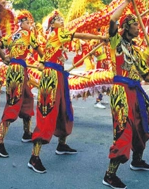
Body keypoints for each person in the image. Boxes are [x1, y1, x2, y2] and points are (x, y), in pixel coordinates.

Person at [27, 10, 106, 174]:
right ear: (52, 24)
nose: (61, 20)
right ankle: (34, 158)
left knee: (65, 110)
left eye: (61, 18)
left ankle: (62, 144)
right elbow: (79, 35)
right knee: (47, 113)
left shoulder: (53, 39)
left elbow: (44, 61)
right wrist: (101, 38)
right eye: (57, 19)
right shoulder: (58, 33)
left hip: (58, 76)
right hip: (52, 78)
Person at [102, 0, 149, 189]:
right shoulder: (115, 42)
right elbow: (112, 19)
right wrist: (127, 3)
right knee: (123, 130)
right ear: (126, 27)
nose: (139, 27)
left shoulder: (136, 51)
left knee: (141, 128)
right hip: (121, 91)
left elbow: (146, 76)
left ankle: (137, 160)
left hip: (136, 92)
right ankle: (109, 175)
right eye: (135, 24)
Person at [0, 10, 44, 158]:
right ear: (22, 23)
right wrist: (46, 63)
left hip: (15, 70)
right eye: (28, 22)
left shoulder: (13, 36)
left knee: (28, 98)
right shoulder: (28, 35)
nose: (30, 25)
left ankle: (27, 133)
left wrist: (5, 58)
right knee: (13, 105)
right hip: (18, 72)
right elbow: (40, 52)